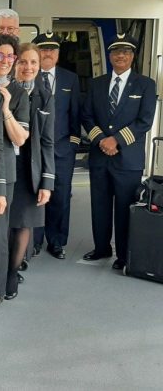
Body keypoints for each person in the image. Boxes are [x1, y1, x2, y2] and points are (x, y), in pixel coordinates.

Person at [82, 33, 157, 270]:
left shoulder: (145, 84)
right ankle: (101, 248)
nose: (120, 56)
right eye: (116, 51)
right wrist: (102, 140)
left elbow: (145, 121)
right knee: (100, 206)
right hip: (100, 156)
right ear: (110, 55)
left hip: (128, 159)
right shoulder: (96, 83)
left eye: (125, 52)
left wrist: (116, 141)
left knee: (125, 208)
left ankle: (124, 255)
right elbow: (86, 116)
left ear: (132, 56)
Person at [0, 33, 30, 310]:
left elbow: (20, 138)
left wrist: (5, 109)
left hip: (4, 171)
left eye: (10, 56)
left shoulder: (19, 93)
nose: (4, 61)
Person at [6, 43, 55, 300]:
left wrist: (47, 181)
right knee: (2, 224)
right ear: (14, 64)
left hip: (29, 168)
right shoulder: (3, 90)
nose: (28, 67)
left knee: (23, 224)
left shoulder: (44, 96)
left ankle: (11, 273)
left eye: (33, 62)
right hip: (4, 164)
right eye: (23, 62)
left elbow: (47, 141)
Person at [31, 32, 81, 259]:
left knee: (60, 197)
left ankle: (57, 241)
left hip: (62, 149)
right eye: (43, 49)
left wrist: (72, 145)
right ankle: (33, 241)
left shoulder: (70, 79)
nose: (48, 53)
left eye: (52, 49)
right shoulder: (28, 74)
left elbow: (76, 114)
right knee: (33, 194)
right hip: (34, 148)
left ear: (58, 54)